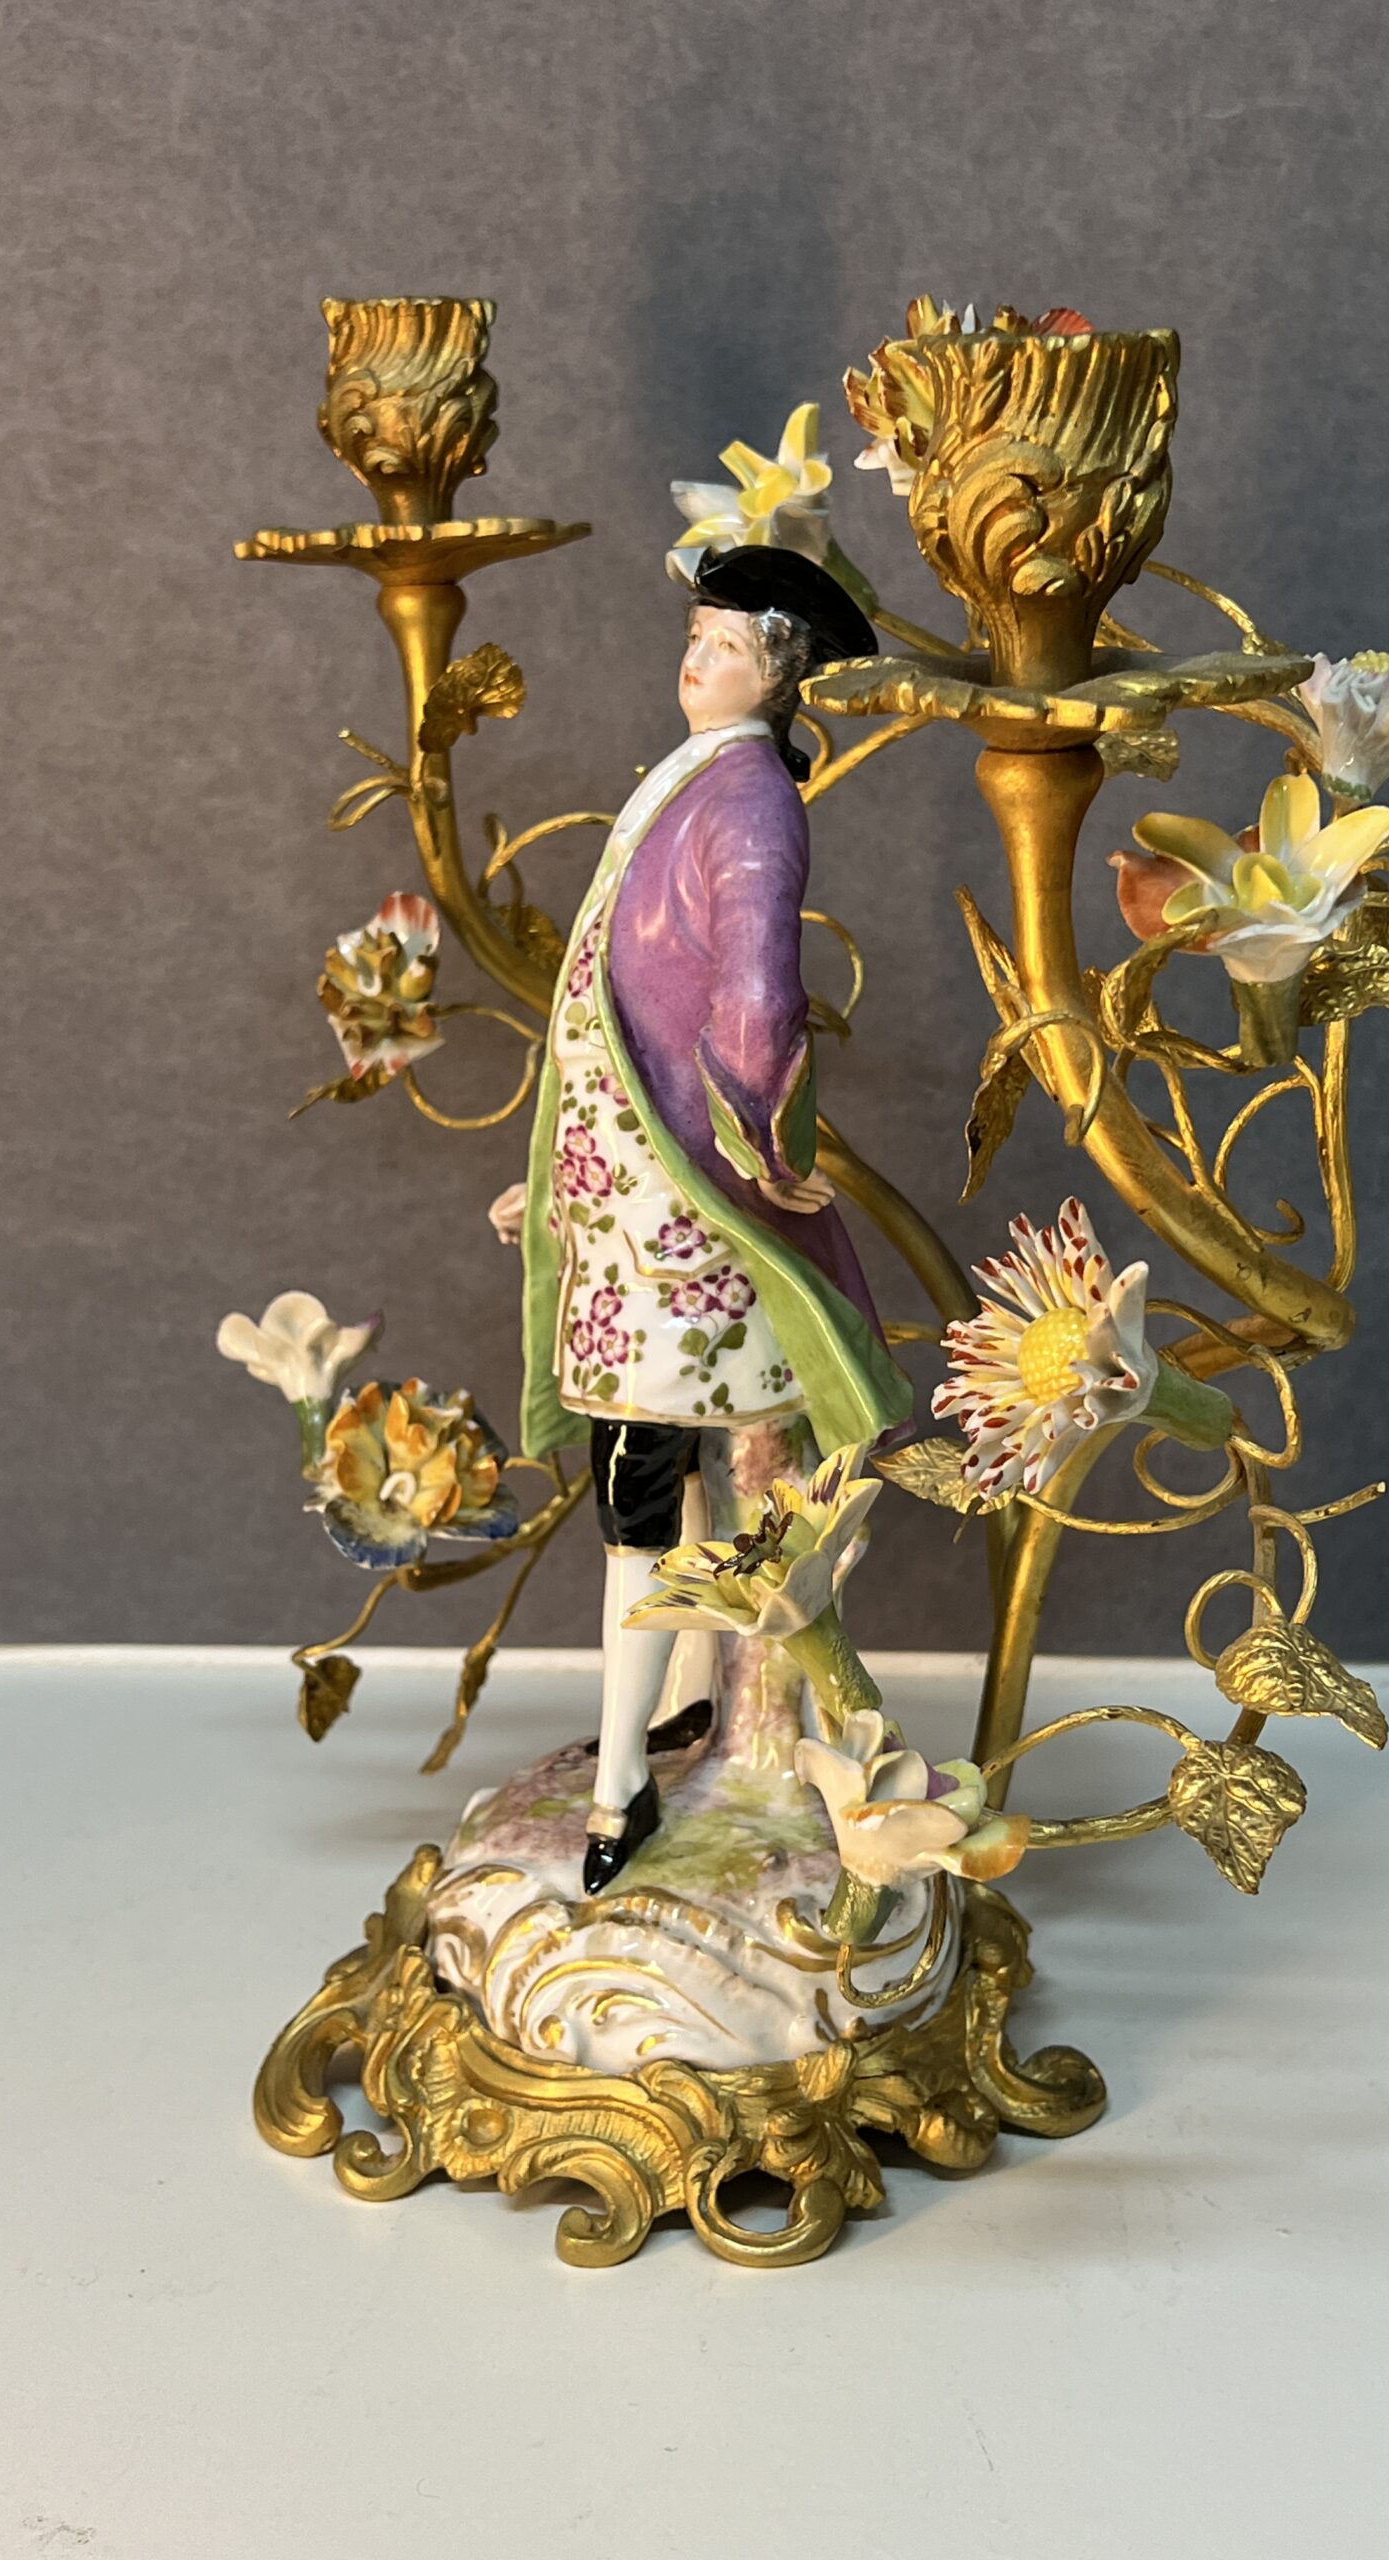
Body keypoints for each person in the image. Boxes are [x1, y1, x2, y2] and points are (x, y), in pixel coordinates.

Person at [489, 546, 912, 1892]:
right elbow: (619, 1004)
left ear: (781, 675)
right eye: (695, 635)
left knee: (640, 1489)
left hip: (679, 1212)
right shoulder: (700, 778)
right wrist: (566, 1175)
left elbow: (758, 1001)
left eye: (726, 646)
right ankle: (676, 1711)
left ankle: (621, 1789)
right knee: (661, 1485)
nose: (696, 660)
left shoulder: (748, 802)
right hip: (632, 1193)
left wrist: (757, 1150)